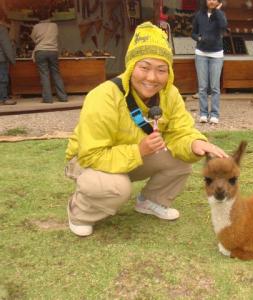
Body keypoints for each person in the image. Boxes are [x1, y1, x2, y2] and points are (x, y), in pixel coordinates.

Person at [64, 22, 227, 237]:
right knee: (117, 188)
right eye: (144, 67)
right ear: (131, 66)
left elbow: (180, 131)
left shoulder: (170, 94)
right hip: (87, 160)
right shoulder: (103, 96)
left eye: (161, 70)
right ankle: (80, 212)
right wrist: (139, 151)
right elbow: (91, 154)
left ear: (169, 72)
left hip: (133, 154)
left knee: (182, 160)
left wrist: (195, 142)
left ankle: (151, 201)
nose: (152, 78)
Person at [191, 0, 227, 124]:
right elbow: (193, 33)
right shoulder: (199, 15)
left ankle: (215, 114)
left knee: (215, 87)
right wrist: (199, 38)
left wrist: (217, 11)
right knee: (202, 87)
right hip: (201, 53)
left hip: (216, 54)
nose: (211, 1)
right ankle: (203, 114)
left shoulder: (220, 14)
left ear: (218, 2)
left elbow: (224, 26)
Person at [30, 9, 67, 103]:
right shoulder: (54, 25)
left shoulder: (36, 27)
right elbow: (56, 36)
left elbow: (33, 38)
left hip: (40, 51)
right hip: (53, 51)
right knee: (56, 74)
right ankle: (63, 97)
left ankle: (48, 99)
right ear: (49, 16)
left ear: (39, 17)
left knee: (44, 75)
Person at [0, 8, 16, 105]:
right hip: (1, 59)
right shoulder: (2, 29)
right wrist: (12, 59)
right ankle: (4, 98)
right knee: (3, 79)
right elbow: (7, 46)